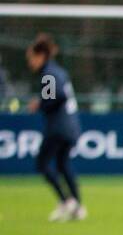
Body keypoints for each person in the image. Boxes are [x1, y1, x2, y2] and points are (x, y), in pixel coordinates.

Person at [26, 34, 85, 222]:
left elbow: (56, 97)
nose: (30, 63)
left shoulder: (48, 74)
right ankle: (76, 205)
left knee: (42, 163)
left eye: (31, 58)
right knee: (62, 164)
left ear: (41, 55)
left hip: (58, 127)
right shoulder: (58, 71)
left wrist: (40, 104)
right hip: (70, 125)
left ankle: (66, 201)